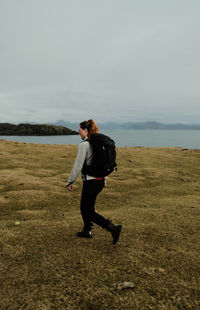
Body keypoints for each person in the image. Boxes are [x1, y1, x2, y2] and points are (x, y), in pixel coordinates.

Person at [66, 119, 122, 244]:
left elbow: (78, 165)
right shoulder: (97, 143)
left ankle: (113, 228)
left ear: (86, 131)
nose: (78, 133)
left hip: (91, 182)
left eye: (80, 130)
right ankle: (87, 230)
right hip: (99, 181)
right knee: (86, 207)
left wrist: (70, 181)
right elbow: (102, 162)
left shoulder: (84, 145)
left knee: (87, 211)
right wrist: (104, 179)